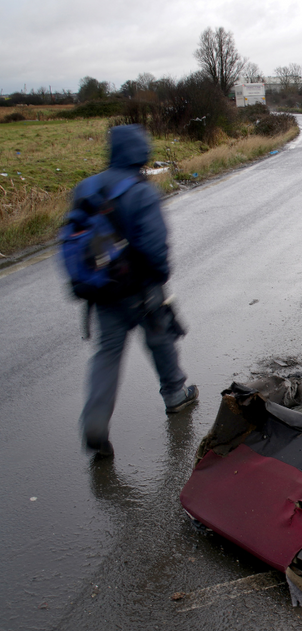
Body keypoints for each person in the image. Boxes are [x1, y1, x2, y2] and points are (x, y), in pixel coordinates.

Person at [77, 124, 197, 458]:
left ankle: (95, 422)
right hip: (141, 288)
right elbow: (155, 246)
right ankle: (175, 395)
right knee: (160, 339)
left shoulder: (87, 187)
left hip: (102, 292)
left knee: (107, 354)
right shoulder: (141, 191)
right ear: (140, 152)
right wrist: (159, 278)